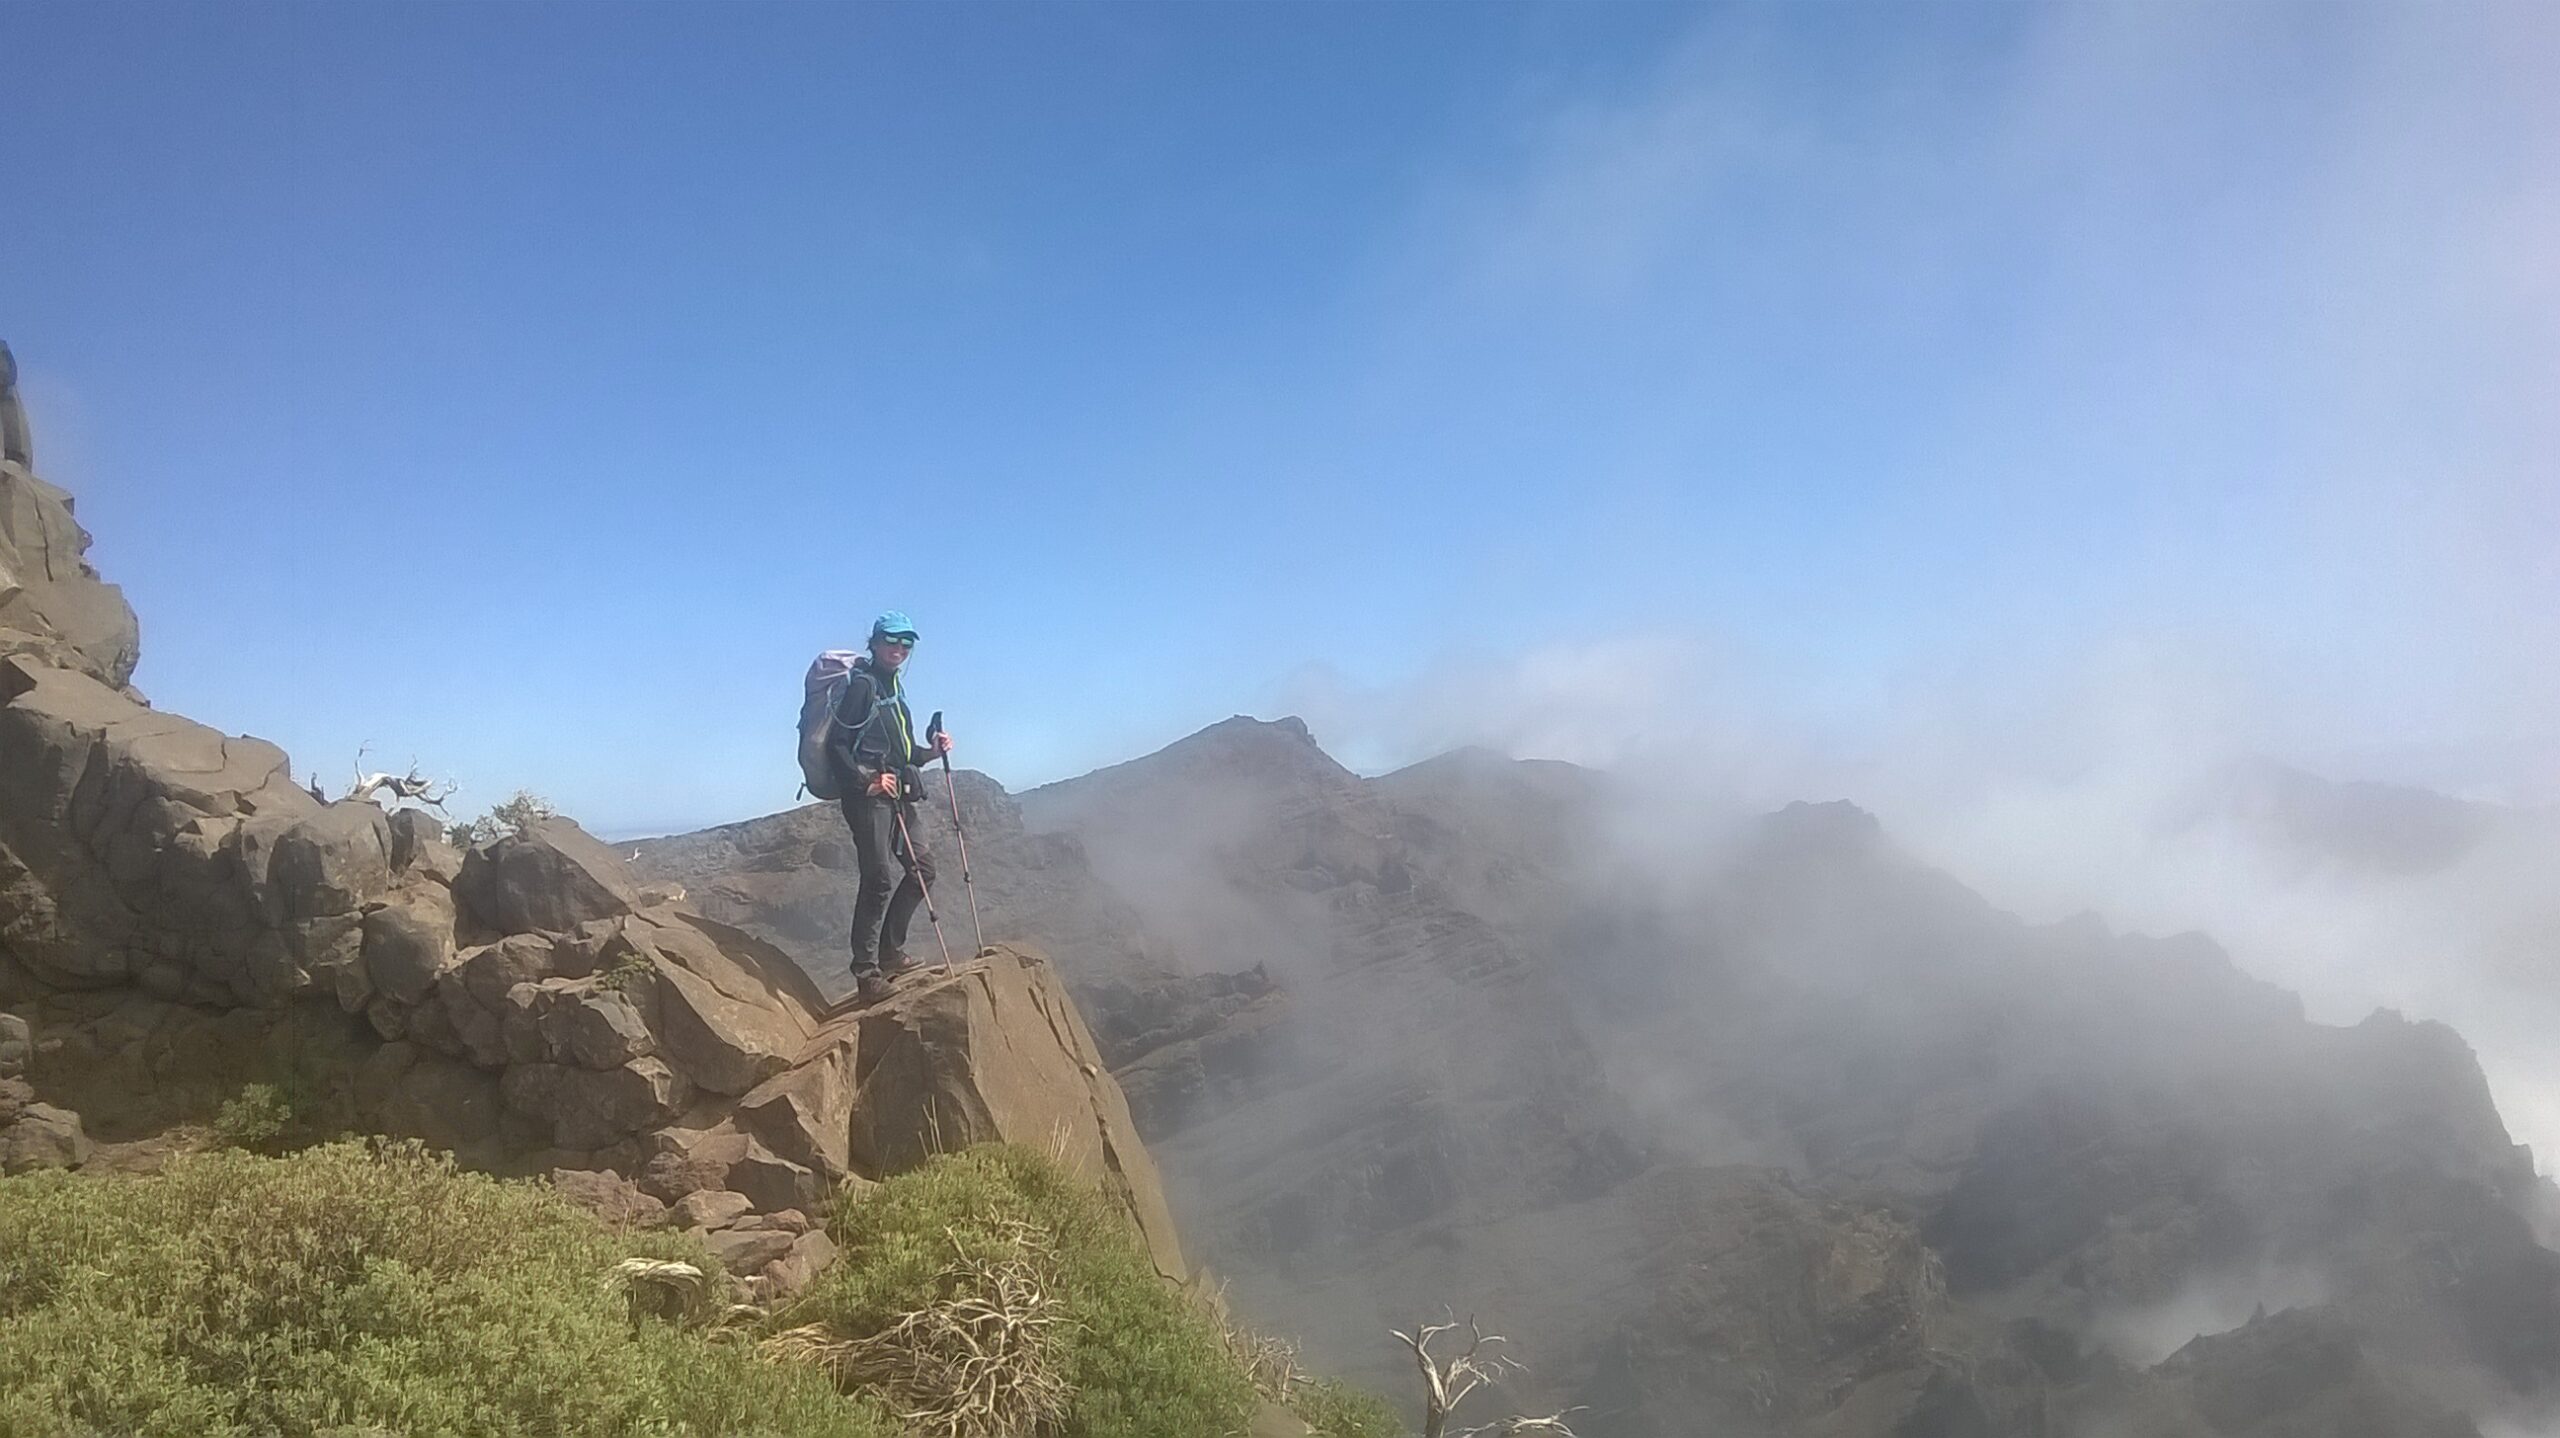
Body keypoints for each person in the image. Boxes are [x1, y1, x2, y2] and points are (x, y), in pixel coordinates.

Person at [828, 610, 954, 1005]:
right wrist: (867, 781)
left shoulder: (894, 689)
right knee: (879, 879)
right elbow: (836, 746)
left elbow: (901, 752)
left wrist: (931, 753)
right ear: (875, 642)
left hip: (897, 791)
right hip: (868, 799)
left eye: (906, 643)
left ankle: (890, 954)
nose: (899, 649)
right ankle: (867, 974)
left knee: (923, 870)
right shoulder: (863, 687)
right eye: (891, 641)